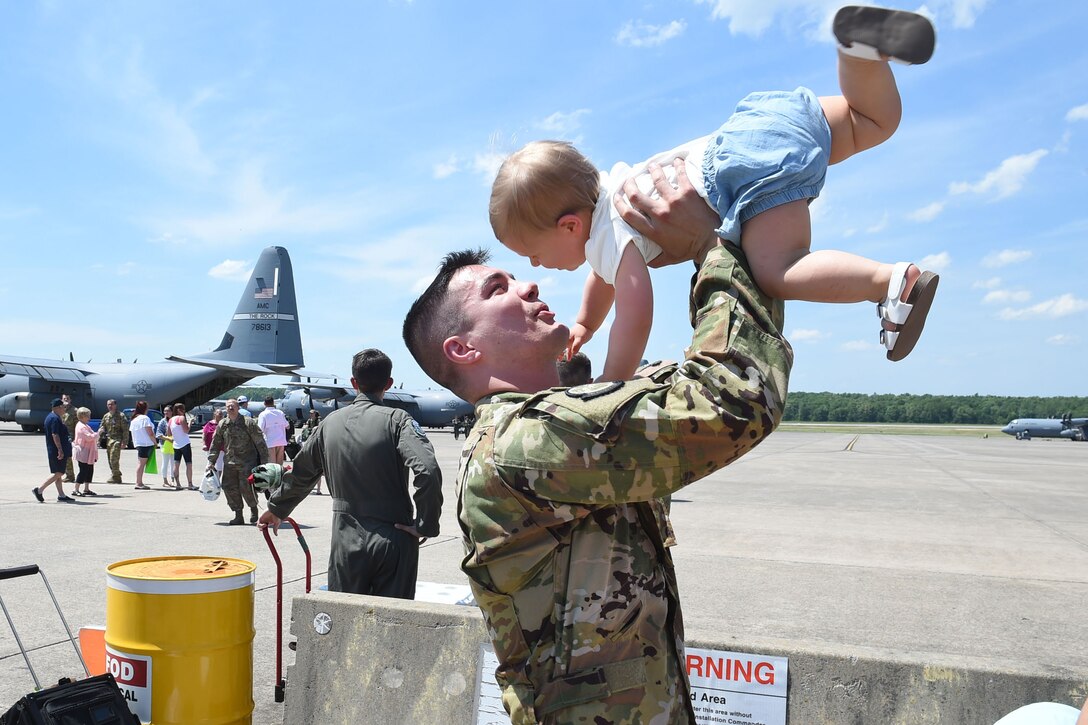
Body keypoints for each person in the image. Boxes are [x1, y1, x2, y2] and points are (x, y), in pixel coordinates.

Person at [403, 158, 789, 722]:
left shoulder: (555, 419)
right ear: (464, 349)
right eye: (498, 288)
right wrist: (714, 247)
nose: (529, 282)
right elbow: (733, 398)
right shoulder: (522, 442)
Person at [489, 5, 939, 381]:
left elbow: (635, 310)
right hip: (757, 124)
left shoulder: (612, 233)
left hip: (745, 173)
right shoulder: (612, 192)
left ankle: (890, 283)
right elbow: (602, 277)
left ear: (569, 225)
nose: (533, 266)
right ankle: (858, 50)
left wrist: (612, 381)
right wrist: (586, 322)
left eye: (531, 252)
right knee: (873, 122)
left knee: (778, 271)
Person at [256, 349, 443, 599]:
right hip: (394, 535)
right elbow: (427, 471)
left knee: (345, 619)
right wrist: (425, 524)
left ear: (354, 383)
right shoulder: (398, 420)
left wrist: (277, 508)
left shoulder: (329, 423)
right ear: (388, 383)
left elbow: (301, 473)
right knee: (394, 624)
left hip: (346, 538)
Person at [206, 398, 268, 525]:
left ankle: (253, 509)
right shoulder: (223, 424)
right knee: (229, 487)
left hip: (247, 462)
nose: (230, 408)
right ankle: (238, 515)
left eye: (233, 406)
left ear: (238, 407)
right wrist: (211, 461)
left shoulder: (248, 422)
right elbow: (216, 443)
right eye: (228, 406)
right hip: (230, 463)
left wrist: (264, 462)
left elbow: (260, 443)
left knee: (247, 488)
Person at [33, 398, 75, 503]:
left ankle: (61, 495)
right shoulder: (55, 419)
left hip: (54, 449)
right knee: (59, 473)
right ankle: (39, 490)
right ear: (59, 407)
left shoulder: (51, 417)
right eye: (63, 407)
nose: (65, 409)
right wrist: (60, 450)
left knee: (58, 473)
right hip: (57, 449)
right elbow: (55, 434)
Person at [128, 401, 157, 490]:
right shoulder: (145, 418)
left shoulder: (134, 419)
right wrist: (155, 442)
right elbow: (150, 432)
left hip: (139, 443)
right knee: (141, 464)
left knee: (141, 463)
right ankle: (139, 482)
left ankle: (139, 482)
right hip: (146, 443)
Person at [98, 399, 129, 483]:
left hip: (117, 440)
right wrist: (98, 440)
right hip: (109, 440)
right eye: (108, 404)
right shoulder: (106, 416)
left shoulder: (121, 416)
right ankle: (115, 475)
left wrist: (125, 442)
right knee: (109, 459)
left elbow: (125, 430)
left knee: (113, 459)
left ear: (115, 405)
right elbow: (102, 428)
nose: (110, 406)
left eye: (111, 404)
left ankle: (116, 476)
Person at [71, 407, 99, 497]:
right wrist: (98, 433)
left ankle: (86, 488)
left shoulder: (86, 425)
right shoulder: (81, 426)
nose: (89, 418)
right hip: (83, 452)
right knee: (83, 470)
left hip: (89, 452)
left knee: (89, 470)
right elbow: (89, 437)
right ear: (82, 416)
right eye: (87, 416)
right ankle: (76, 489)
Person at [257, 397, 291, 465]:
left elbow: (260, 429)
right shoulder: (280, 413)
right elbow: (288, 426)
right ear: (273, 403)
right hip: (281, 441)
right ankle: (280, 475)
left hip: (270, 442)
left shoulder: (263, 414)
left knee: (272, 464)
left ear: (264, 404)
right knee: (279, 464)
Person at [169, 403, 195, 490]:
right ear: (180, 410)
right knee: (189, 464)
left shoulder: (171, 420)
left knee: (176, 464)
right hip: (185, 443)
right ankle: (190, 484)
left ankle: (178, 484)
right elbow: (186, 430)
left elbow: (168, 433)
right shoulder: (181, 418)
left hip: (176, 444)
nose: (184, 411)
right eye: (183, 410)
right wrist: (190, 422)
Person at [298, 410, 323, 494]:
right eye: (310, 413)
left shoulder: (318, 420)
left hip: (315, 444)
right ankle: (312, 487)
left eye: (312, 413)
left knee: (317, 469)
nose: (311, 415)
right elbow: (305, 429)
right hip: (310, 442)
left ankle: (318, 489)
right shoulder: (309, 421)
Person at [156, 405, 178, 488]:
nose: (166, 413)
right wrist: (167, 439)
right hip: (165, 444)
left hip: (175, 444)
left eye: (168, 411)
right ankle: (165, 480)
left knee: (173, 463)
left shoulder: (175, 420)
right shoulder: (162, 421)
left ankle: (173, 480)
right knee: (165, 462)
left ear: (172, 412)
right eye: (165, 411)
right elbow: (158, 434)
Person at [202, 408, 225, 477]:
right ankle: (208, 479)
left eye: (221, 414)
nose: (221, 415)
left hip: (221, 448)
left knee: (219, 466)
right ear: (215, 414)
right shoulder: (210, 424)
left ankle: (217, 480)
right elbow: (204, 434)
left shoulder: (224, 424)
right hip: (211, 447)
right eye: (219, 413)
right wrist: (204, 444)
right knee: (210, 464)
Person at [61, 394, 78, 483]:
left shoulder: (75, 411)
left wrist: (76, 438)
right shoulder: (60, 410)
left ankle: (70, 475)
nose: (66, 400)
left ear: (70, 400)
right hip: (61, 436)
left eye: (67, 398)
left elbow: (77, 425)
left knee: (68, 456)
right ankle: (67, 474)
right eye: (64, 398)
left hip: (70, 436)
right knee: (63, 456)